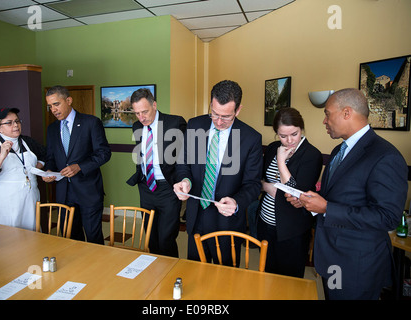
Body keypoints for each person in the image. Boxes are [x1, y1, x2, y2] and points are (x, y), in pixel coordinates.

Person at [287, 88, 408, 299]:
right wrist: (308, 203)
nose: (324, 121)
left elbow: (388, 217)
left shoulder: (385, 156)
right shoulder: (338, 151)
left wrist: (326, 208)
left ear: (346, 113)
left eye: (327, 113)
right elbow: (330, 200)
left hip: (356, 265)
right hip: (332, 257)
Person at [174, 80, 263, 266]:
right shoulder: (194, 125)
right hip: (196, 215)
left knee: (226, 282)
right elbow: (184, 164)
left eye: (226, 117)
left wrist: (237, 202)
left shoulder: (251, 138)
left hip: (228, 223)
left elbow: (253, 184)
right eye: (214, 114)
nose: (219, 122)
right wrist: (184, 180)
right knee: (195, 275)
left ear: (238, 110)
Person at [256, 108, 322, 277]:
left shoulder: (312, 155)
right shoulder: (272, 148)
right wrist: (268, 187)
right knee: (267, 274)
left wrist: (281, 162)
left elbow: (296, 193)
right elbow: (259, 180)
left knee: (289, 279)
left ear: (302, 129)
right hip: (266, 222)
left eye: (294, 134)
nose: (289, 140)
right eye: (282, 136)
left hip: (292, 229)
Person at [43, 86, 111, 244]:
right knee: (70, 239)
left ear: (68, 100)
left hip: (89, 192)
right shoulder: (52, 129)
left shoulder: (91, 123)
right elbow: (51, 157)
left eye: (56, 104)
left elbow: (104, 153)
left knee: (93, 239)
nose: (53, 109)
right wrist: (49, 171)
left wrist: (79, 166)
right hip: (64, 193)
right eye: (50, 106)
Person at [127, 88, 186, 257]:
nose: (141, 117)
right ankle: (155, 275)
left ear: (154, 105)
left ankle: (170, 274)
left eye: (144, 111)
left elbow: (186, 155)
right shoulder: (137, 126)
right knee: (150, 238)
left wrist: (182, 180)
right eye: (137, 113)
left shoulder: (175, 123)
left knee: (166, 239)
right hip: (146, 188)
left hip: (168, 188)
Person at [0, 107, 46, 230]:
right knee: (6, 239)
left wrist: (39, 166)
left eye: (17, 121)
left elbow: (46, 155)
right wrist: (1, 156)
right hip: (4, 204)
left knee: (31, 238)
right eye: (9, 122)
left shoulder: (28, 142)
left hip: (29, 201)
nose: (16, 125)